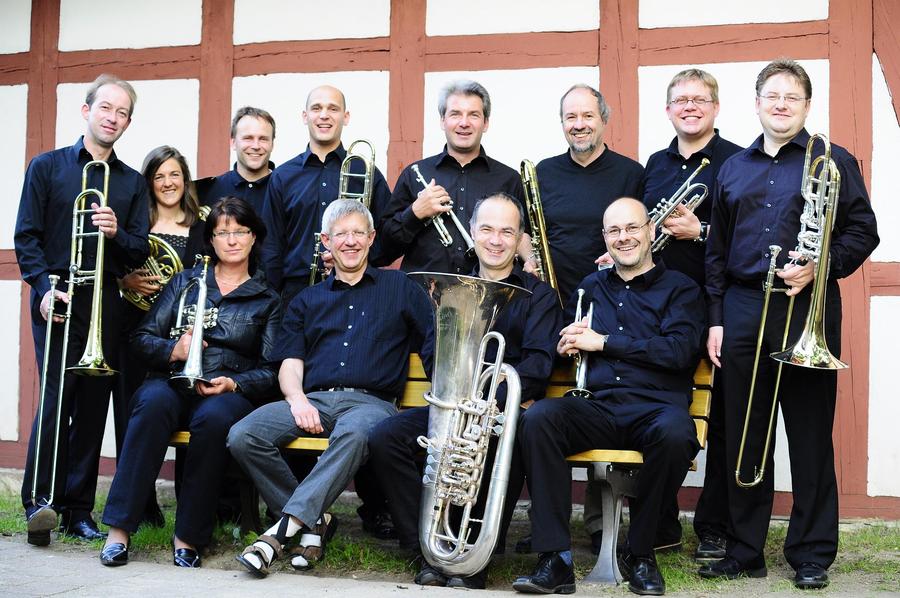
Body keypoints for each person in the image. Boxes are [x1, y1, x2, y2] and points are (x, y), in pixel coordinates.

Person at [699, 59, 879, 590]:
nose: (781, 105)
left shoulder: (834, 160)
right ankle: (744, 548)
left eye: (791, 97)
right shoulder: (733, 168)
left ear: (807, 105)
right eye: (772, 96)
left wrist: (821, 264)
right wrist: (716, 320)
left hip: (807, 308)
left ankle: (812, 553)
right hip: (743, 307)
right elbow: (716, 252)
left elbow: (863, 230)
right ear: (757, 103)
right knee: (744, 435)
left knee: (809, 435)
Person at [228, 199, 433, 578]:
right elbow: (290, 363)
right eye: (341, 234)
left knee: (354, 435)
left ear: (372, 238)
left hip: (372, 405)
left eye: (358, 233)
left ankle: (279, 533)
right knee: (244, 435)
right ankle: (315, 520)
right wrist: (297, 400)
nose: (350, 241)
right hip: (316, 399)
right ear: (326, 241)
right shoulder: (307, 299)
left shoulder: (400, 287)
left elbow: (434, 345)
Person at [368, 192, 562, 589]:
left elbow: (539, 365)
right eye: (487, 229)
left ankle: (475, 558)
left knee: (499, 440)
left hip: (500, 410)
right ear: (472, 232)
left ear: (519, 238)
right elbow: (432, 347)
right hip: (453, 403)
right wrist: (455, 394)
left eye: (507, 232)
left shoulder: (539, 295)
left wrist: (489, 402)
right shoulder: (450, 285)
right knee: (386, 438)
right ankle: (425, 549)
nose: (496, 240)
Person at [513, 198, 705, 596]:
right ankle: (555, 558)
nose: (624, 237)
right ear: (605, 238)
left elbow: (677, 352)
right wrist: (564, 345)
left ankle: (641, 553)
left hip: (655, 410)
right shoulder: (590, 287)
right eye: (614, 231)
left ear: (650, 231)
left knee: (676, 435)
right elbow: (571, 339)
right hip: (598, 407)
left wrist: (604, 342)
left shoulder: (681, 289)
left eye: (632, 228)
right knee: (538, 420)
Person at [98, 196, 281, 568]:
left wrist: (234, 383)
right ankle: (118, 531)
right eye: (222, 232)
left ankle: (188, 536)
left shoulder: (267, 299)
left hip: (226, 389)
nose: (232, 240)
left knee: (214, 419)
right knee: (151, 404)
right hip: (172, 381)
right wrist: (173, 350)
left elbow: (272, 369)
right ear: (210, 239)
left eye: (240, 231)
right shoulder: (184, 282)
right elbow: (141, 338)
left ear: (254, 237)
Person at [14, 74, 149, 546]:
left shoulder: (132, 183)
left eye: (122, 113)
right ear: (87, 110)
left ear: (128, 123)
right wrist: (41, 288)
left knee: (93, 408)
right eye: (106, 108)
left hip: (104, 302)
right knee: (55, 402)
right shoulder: (46, 167)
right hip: (57, 296)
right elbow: (26, 236)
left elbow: (138, 250)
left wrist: (117, 233)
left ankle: (77, 510)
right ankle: (39, 503)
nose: (113, 118)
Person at [639, 69, 743, 560]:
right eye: (681, 100)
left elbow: (750, 238)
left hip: (719, 307)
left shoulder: (737, 161)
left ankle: (715, 526)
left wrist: (699, 232)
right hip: (660, 312)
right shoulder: (654, 165)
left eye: (700, 100)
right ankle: (659, 520)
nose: (690, 107)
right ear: (668, 110)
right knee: (660, 411)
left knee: (720, 421)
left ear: (716, 108)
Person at [117, 145, 209, 527]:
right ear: (149, 182)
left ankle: (189, 498)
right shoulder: (137, 224)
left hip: (186, 332)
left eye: (175, 175)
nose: (168, 183)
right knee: (133, 414)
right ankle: (142, 503)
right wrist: (125, 281)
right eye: (159, 176)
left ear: (185, 180)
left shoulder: (201, 223)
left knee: (191, 407)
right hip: (137, 329)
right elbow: (113, 263)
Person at [261, 86, 392, 306]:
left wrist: (353, 258)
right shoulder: (283, 176)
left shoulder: (366, 172)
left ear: (345, 117)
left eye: (333, 108)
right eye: (316, 108)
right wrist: (273, 300)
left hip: (356, 290)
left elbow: (387, 238)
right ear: (305, 116)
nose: (324, 115)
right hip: (296, 294)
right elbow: (271, 246)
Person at [381, 79, 528, 275]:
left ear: (485, 123)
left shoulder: (508, 179)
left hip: (487, 291)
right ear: (443, 121)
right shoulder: (414, 174)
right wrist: (414, 213)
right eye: (455, 114)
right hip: (422, 292)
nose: (464, 123)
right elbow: (383, 251)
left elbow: (521, 238)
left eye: (473, 115)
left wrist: (530, 259)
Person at [533, 84, 644, 302]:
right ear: (562, 123)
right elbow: (526, 231)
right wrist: (530, 257)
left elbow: (647, 234)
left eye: (588, 116)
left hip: (615, 299)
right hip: (552, 299)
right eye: (571, 117)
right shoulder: (543, 171)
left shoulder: (632, 173)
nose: (579, 125)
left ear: (604, 120)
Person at [197, 106, 276, 214]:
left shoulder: (286, 189)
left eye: (263, 139)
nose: (256, 146)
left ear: (272, 144)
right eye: (248, 138)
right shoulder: (209, 191)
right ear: (233, 143)